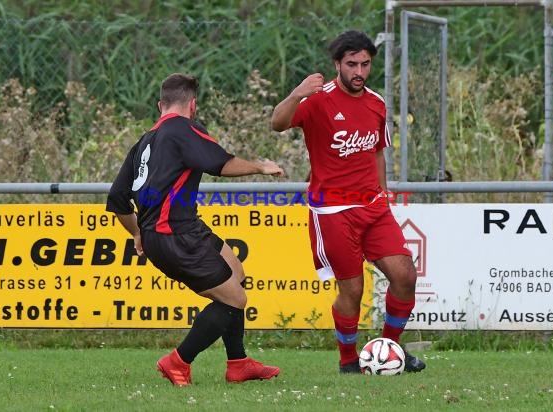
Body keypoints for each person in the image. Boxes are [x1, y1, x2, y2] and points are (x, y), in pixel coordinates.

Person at [106, 73, 283, 386]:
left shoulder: (144, 142)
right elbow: (220, 163)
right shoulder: (184, 128)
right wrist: (261, 166)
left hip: (177, 229)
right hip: (175, 235)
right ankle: (178, 361)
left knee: (236, 271)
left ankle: (238, 363)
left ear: (161, 105)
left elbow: (118, 200)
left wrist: (137, 233)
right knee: (235, 299)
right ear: (193, 105)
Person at [271, 30, 426, 374]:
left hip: (373, 206)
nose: (359, 71)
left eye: (365, 64)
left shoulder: (376, 102)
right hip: (333, 211)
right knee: (352, 290)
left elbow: (378, 152)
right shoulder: (316, 100)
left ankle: (389, 350)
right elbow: (277, 123)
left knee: (404, 274)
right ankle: (348, 361)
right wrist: (297, 92)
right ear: (337, 64)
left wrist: (384, 195)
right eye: (352, 64)